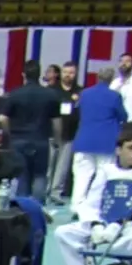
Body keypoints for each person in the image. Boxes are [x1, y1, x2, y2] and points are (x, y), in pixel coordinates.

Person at [52, 128, 132, 265]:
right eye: (131, 148)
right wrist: (96, 224)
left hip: (130, 226)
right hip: (104, 222)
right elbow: (91, 202)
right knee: (63, 232)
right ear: (118, 150)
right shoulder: (106, 171)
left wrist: (119, 224)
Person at [0, 61, 61, 203]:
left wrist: (9, 134)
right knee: (40, 175)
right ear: (39, 74)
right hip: (41, 140)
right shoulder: (50, 95)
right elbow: (57, 122)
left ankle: (22, 207)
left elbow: (2, 118)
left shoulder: (15, 94)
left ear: (23, 75)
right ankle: (37, 208)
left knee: (21, 175)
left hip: (18, 139)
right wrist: (57, 140)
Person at [71, 67, 129, 210]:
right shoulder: (114, 96)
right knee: (103, 176)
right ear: (111, 79)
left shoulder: (84, 93)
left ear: (97, 77)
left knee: (81, 176)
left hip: (84, 139)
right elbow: (123, 116)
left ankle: (77, 206)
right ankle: (95, 206)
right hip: (106, 142)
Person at [47, 61, 83, 205]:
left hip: (69, 134)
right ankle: (45, 191)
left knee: (62, 167)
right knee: (48, 165)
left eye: (71, 72)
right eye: (65, 72)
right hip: (51, 133)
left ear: (75, 74)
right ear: (61, 73)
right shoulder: (51, 90)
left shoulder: (80, 91)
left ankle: (56, 193)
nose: (68, 75)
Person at [111, 53, 132, 124]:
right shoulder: (114, 83)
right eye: (121, 61)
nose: (123, 63)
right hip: (117, 124)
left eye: (127, 61)